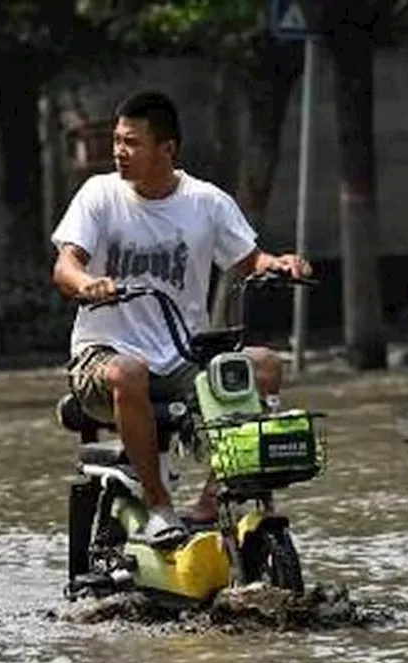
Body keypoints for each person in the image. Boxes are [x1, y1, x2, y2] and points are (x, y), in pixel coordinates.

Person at [50, 90, 312, 545]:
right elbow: (66, 264)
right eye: (117, 140)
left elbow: (250, 261)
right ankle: (159, 507)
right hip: (102, 358)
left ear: (167, 149)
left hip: (180, 357)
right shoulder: (99, 195)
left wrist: (283, 265)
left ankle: (210, 501)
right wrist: (86, 284)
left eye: (131, 142)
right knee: (129, 371)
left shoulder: (207, 202)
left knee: (265, 365)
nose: (118, 152)